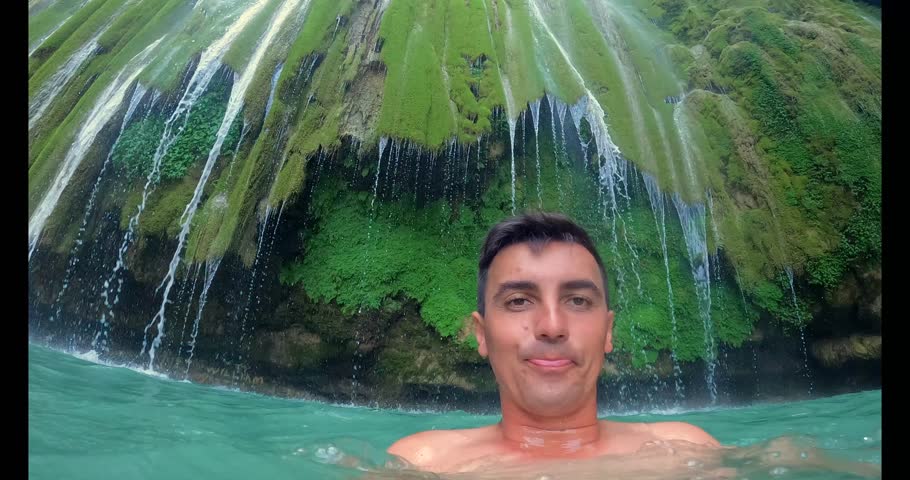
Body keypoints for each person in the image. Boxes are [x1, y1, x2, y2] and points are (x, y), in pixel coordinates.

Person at [387, 212, 720, 473]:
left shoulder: (689, 455)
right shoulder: (419, 464)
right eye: (519, 300)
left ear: (607, 332)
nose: (552, 326)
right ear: (481, 333)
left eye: (577, 301)